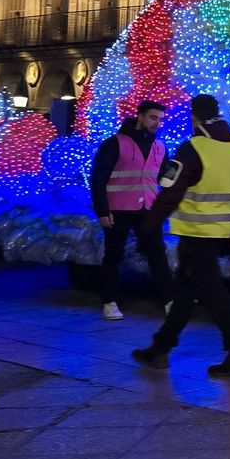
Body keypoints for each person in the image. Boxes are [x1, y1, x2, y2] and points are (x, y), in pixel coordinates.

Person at [131, 95, 230, 377]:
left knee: (213, 293)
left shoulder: (193, 150)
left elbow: (169, 195)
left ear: (194, 117)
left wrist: (148, 229)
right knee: (186, 294)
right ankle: (159, 349)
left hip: (195, 234)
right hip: (219, 235)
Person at [89, 101, 173, 319]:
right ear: (140, 117)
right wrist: (102, 210)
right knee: (113, 255)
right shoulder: (115, 143)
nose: (158, 123)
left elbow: (166, 176)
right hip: (118, 209)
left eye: (160, 119)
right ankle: (109, 301)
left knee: (157, 254)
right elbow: (98, 178)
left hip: (148, 209)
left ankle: (169, 300)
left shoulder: (160, 147)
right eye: (153, 118)